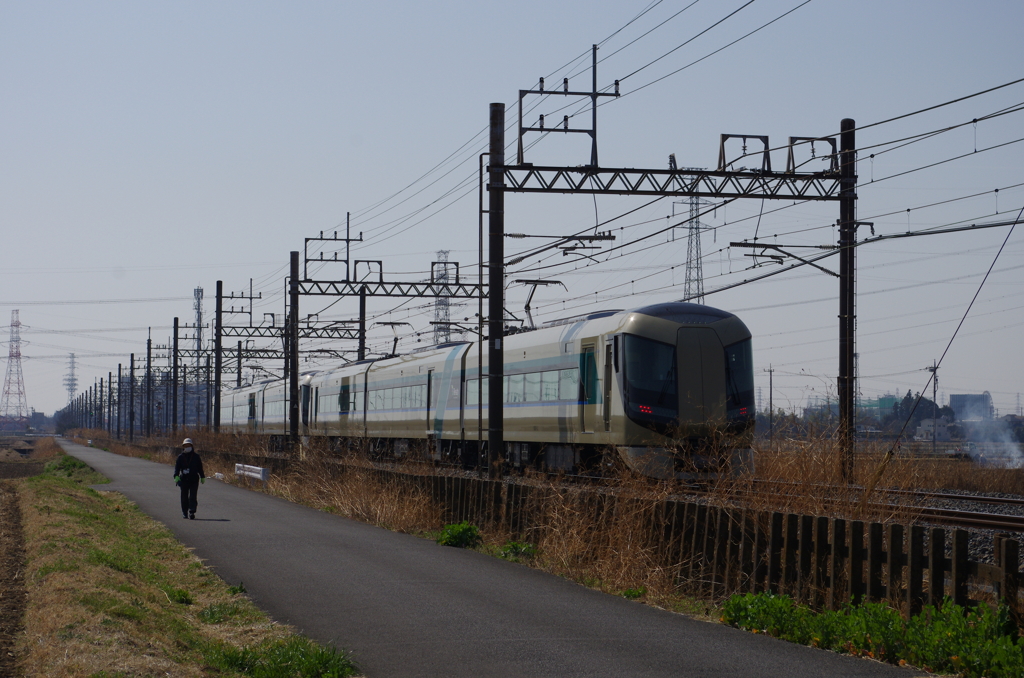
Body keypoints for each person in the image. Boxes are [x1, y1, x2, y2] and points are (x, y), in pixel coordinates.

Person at [173, 438, 205, 519]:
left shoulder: (196, 457)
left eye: (189, 445)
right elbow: (177, 468)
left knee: (193, 496)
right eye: (185, 446)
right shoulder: (180, 457)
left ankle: (192, 511)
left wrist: (202, 476)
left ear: (191, 446)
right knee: (184, 497)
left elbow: (200, 468)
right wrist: (176, 476)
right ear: (183, 447)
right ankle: (184, 512)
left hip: (194, 480)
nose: (187, 447)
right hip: (184, 480)